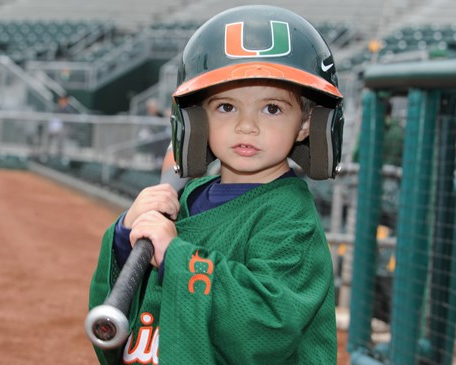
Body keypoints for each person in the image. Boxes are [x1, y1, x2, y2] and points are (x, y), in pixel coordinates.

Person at [88, 5, 344, 364]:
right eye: (226, 107)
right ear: (198, 119)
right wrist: (125, 237)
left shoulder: (291, 219)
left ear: (305, 125)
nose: (246, 126)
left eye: (272, 108)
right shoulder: (188, 196)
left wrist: (175, 256)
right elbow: (119, 327)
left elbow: (267, 326)